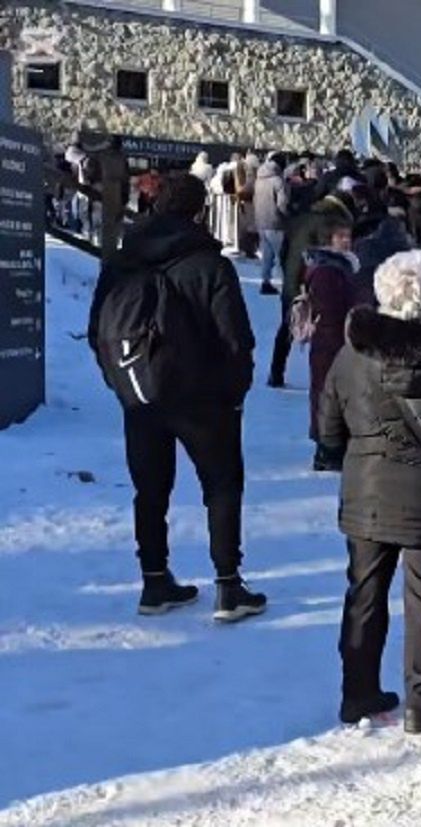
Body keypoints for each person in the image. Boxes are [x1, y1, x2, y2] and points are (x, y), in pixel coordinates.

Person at [87, 172, 266, 622]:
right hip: (203, 397)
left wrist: (122, 383)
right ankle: (228, 586)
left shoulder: (124, 258)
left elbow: (98, 330)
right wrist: (236, 391)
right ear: (198, 211)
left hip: (141, 391)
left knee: (150, 490)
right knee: (222, 486)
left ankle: (154, 580)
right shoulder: (209, 264)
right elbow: (235, 339)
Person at [318, 250, 421, 730]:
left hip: (366, 493)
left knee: (364, 594)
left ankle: (357, 691)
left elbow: (328, 430)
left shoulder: (352, 356)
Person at [268, 191, 355, 388]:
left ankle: (276, 371)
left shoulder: (301, 219)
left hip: (292, 278)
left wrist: (289, 275)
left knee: (287, 325)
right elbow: (330, 255)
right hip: (315, 281)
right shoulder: (331, 225)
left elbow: (284, 250)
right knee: (324, 330)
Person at [304, 216, 364, 471]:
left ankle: (329, 446)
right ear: (329, 241)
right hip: (331, 341)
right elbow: (329, 310)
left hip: (333, 340)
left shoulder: (340, 266)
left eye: (348, 237)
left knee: (330, 393)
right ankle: (326, 449)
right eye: (341, 237)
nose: (346, 242)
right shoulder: (329, 270)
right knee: (327, 394)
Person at [253, 155, 289, 296]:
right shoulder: (278, 181)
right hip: (276, 223)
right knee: (282, 255)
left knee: (267, 256)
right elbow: (282, 204)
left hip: (261, 221)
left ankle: (265, 282)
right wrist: (288, 216)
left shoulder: (259, 179)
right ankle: (287, 283)